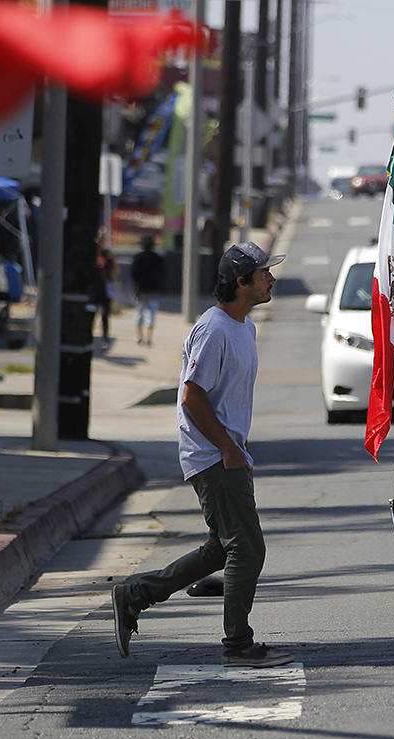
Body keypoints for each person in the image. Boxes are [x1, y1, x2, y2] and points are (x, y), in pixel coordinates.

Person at [112, 241, 292, 669]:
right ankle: (238, 645)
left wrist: (238, 447)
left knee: (221, 547)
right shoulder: (214, 329)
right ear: (241, 281)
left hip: (227, 452)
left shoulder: (244, 327)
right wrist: (228, 448)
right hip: (211, 455)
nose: (271, 279)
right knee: (247, 549)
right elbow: (193, 397)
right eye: (264, 273)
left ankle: (135, 594)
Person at [130, 233, 165, 346]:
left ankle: (139, 337)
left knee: (139, 313)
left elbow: (133, 274)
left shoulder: (138, 257)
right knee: (151, 314)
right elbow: (162, 274)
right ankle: (149, 338)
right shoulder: (158, 258)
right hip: (154, 291)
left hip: (140, 291)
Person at [93, 246, 118, 342]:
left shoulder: (107, 255)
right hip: (94, 290)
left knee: (105, 315)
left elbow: (116, 271)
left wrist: (113, 258)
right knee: (91, 314)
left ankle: (105, 338)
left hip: (106, 290)